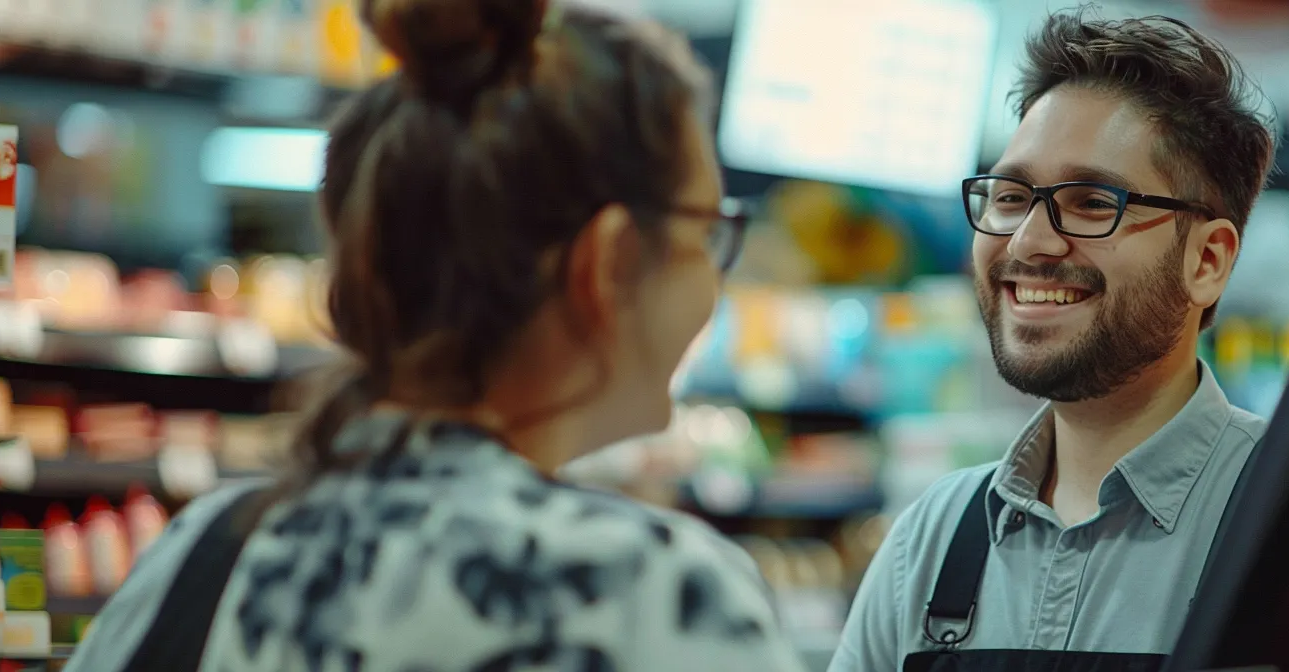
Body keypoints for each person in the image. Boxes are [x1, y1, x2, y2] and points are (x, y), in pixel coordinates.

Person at [64, 1, 803, 670]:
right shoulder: (653, 593)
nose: (716, 276)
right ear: (607, 262)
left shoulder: (207, 552)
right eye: (709, 232)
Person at [831, 10, 1275, 672]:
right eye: (1010, 196)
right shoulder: (931, 541)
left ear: (1207, 262)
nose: (1030, 241)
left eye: (1095, 202)